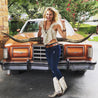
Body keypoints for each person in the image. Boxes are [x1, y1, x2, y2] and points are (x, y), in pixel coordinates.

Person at [37, 7, 67, 97]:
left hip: (55, 48)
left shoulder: (56, 24)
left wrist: (63, 25)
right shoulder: (41, 23)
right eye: (47, 14)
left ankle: (61, 88)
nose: (48, 16)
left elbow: (64, 36)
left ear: (53, 15)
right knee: (52, 68)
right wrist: (38, 38)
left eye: (50, 14)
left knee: (54, 68)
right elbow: (39, 33)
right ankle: (60, 88)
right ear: (45, 14)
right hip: (47, 48)